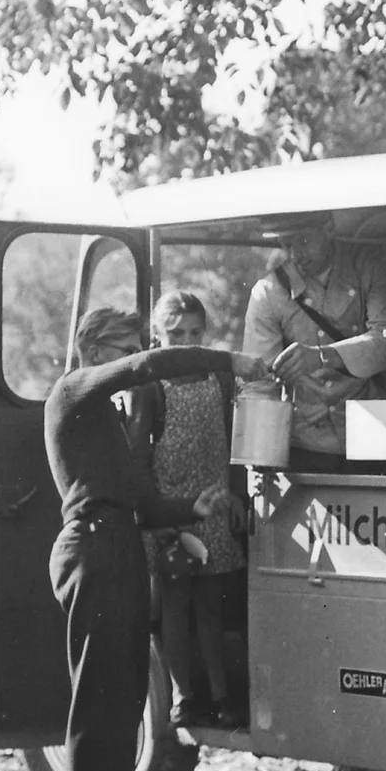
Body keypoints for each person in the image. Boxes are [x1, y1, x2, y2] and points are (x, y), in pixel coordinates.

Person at [45, 307, 268, 771]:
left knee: (124, 703)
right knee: (99, 704)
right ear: (94, 353)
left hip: (117, 547)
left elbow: (138, 505)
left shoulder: (107, 416)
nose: (136, 357)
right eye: (125, 347)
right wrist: (230, 361)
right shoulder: (71, 392)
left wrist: (189, 509)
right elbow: (149, 364)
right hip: (92, 551)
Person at [125, 292, 249, 728]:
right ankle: (184, 695)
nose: (186, 341)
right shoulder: (151, 386)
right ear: (158, 337)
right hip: (171, 509)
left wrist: (236, 495)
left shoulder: (218, 380)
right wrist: (154, 515)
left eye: (195, 333)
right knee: (176, 604)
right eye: (176, 334)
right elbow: (138, 459)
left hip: (213, 505)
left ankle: (220, 693)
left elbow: (234, 445)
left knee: (210, 605)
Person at [240, 216, 386, 472]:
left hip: (374, 430)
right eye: (286, 244)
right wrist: (258, 455)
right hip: (306, 442)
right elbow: (260, 380)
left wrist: (322, 356)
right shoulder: (268, 293)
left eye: (304, 240)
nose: (296, 255)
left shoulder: (372, 264)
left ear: (329, 228)